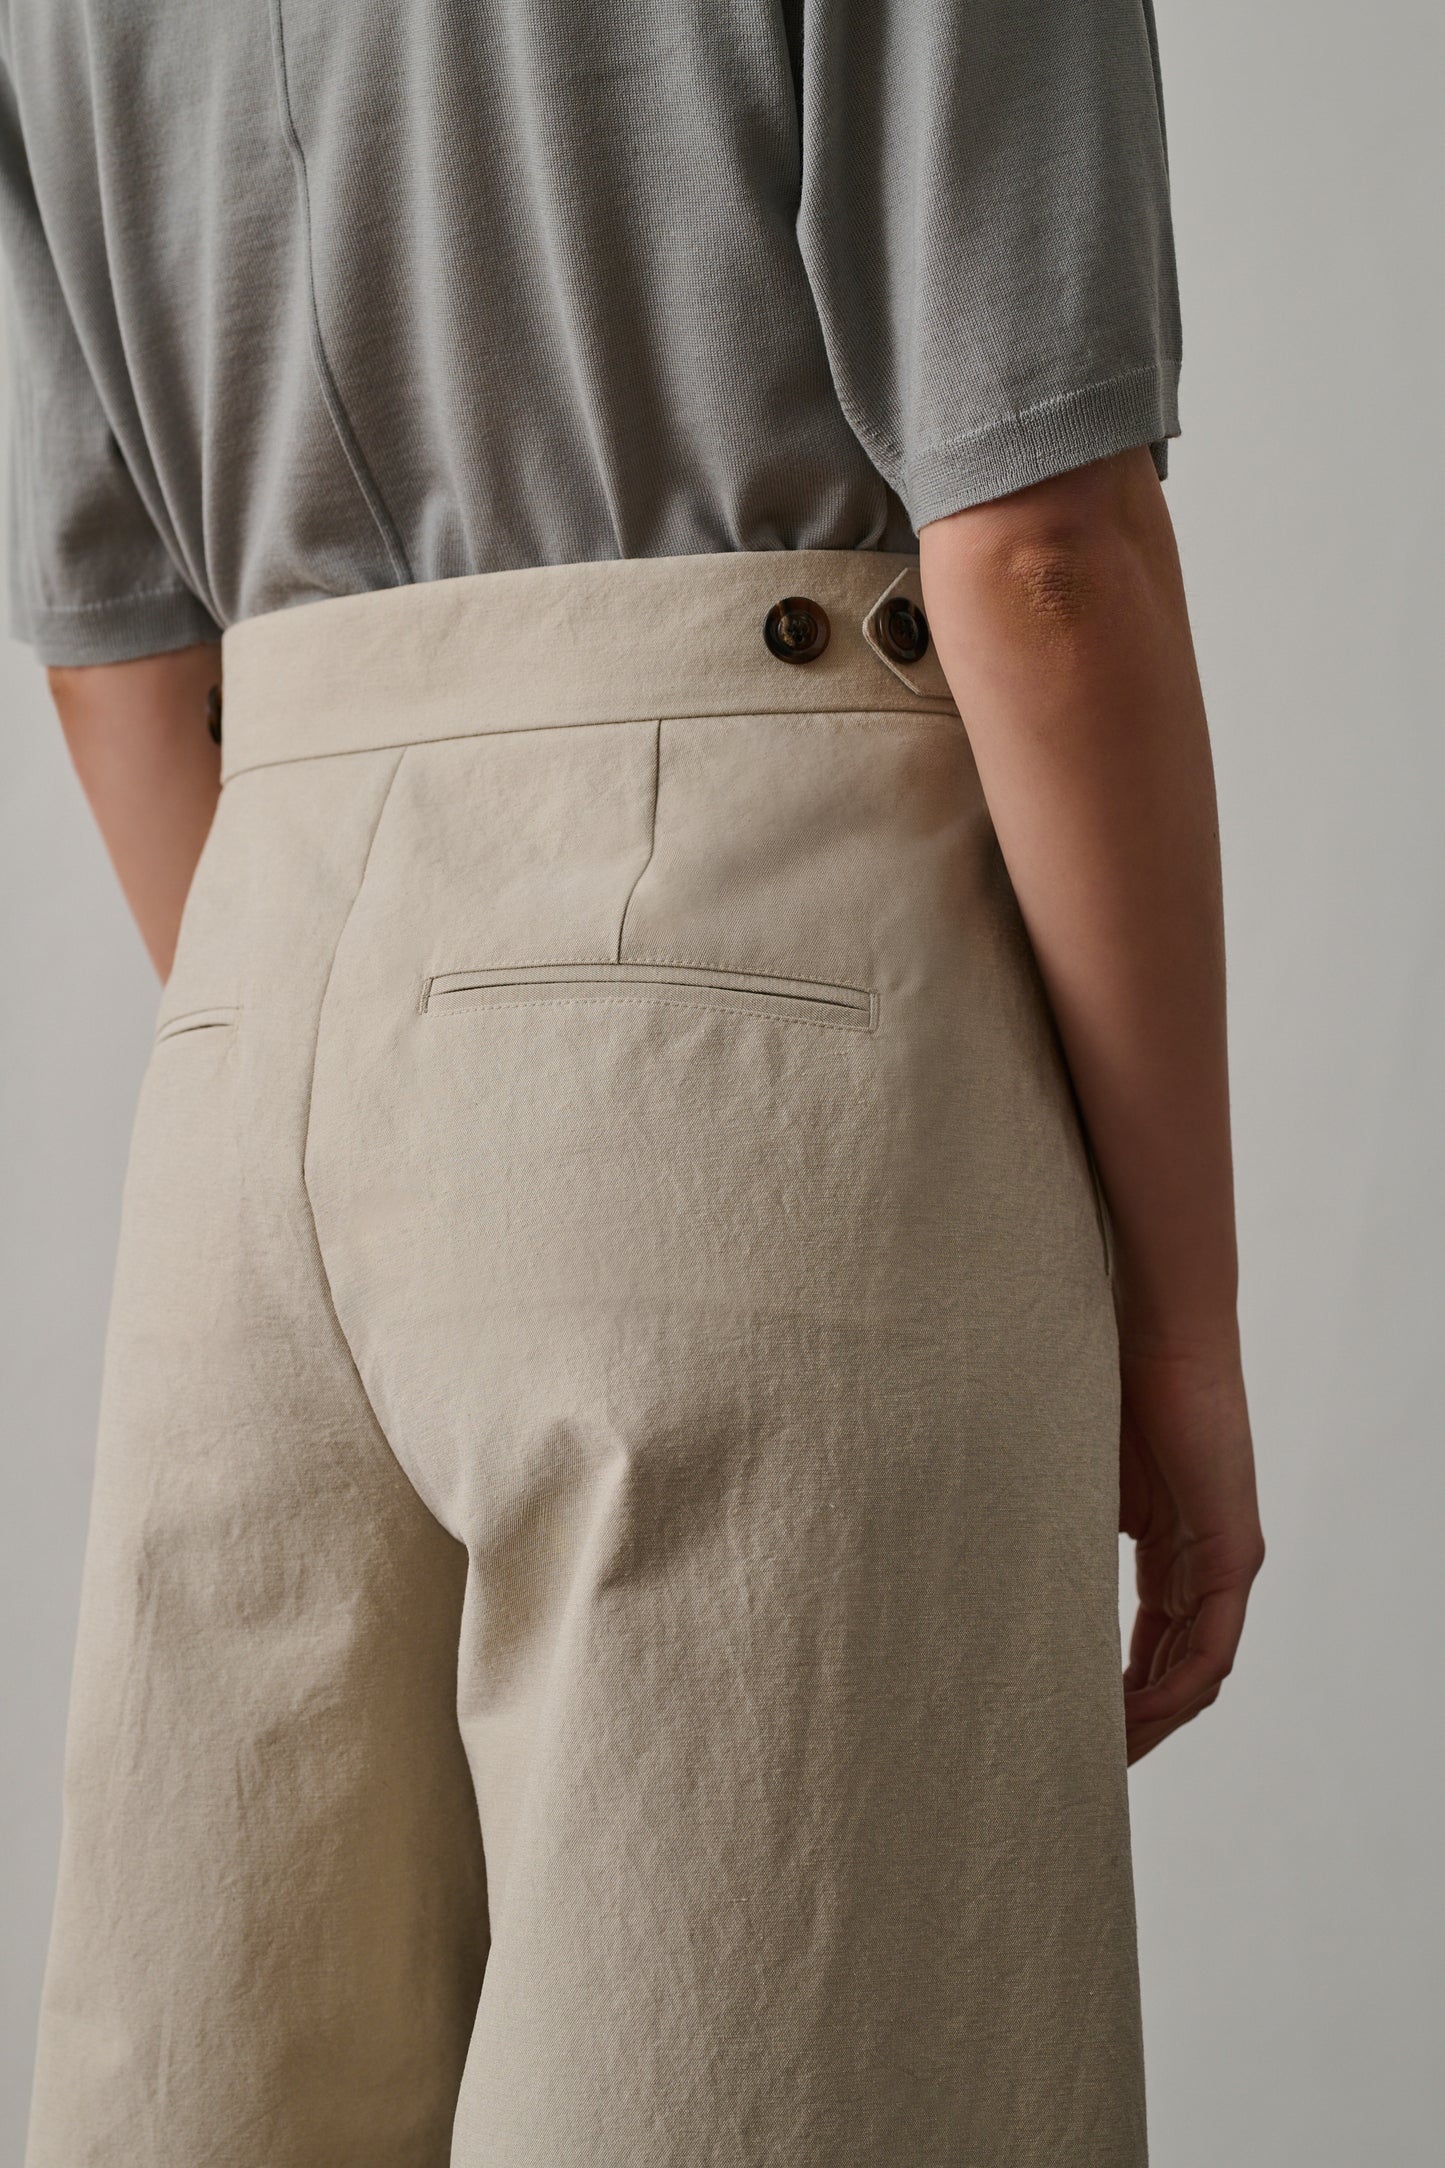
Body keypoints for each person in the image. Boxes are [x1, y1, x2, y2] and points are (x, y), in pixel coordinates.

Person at [1, 2, 1263, 2161]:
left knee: (223, 2088)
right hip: (751, 1021)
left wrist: (360, 1043)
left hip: (255, 1041)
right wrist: (1181, 1329)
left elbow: (116, 656)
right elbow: (1041, 555)